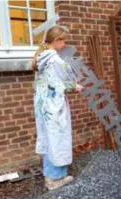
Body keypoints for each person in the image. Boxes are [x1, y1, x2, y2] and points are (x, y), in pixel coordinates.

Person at [32, 26, 83, 190]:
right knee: (57, 138)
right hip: (55, 107)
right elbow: (65, 85)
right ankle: (55, 179)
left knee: (49, 138)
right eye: (64, 40)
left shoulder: (41, 59)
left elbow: (47, 84)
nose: (65, 43)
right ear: (56, 41)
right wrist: (76, 87)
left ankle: (49, 175)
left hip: (43, 107)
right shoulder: (55, 61)